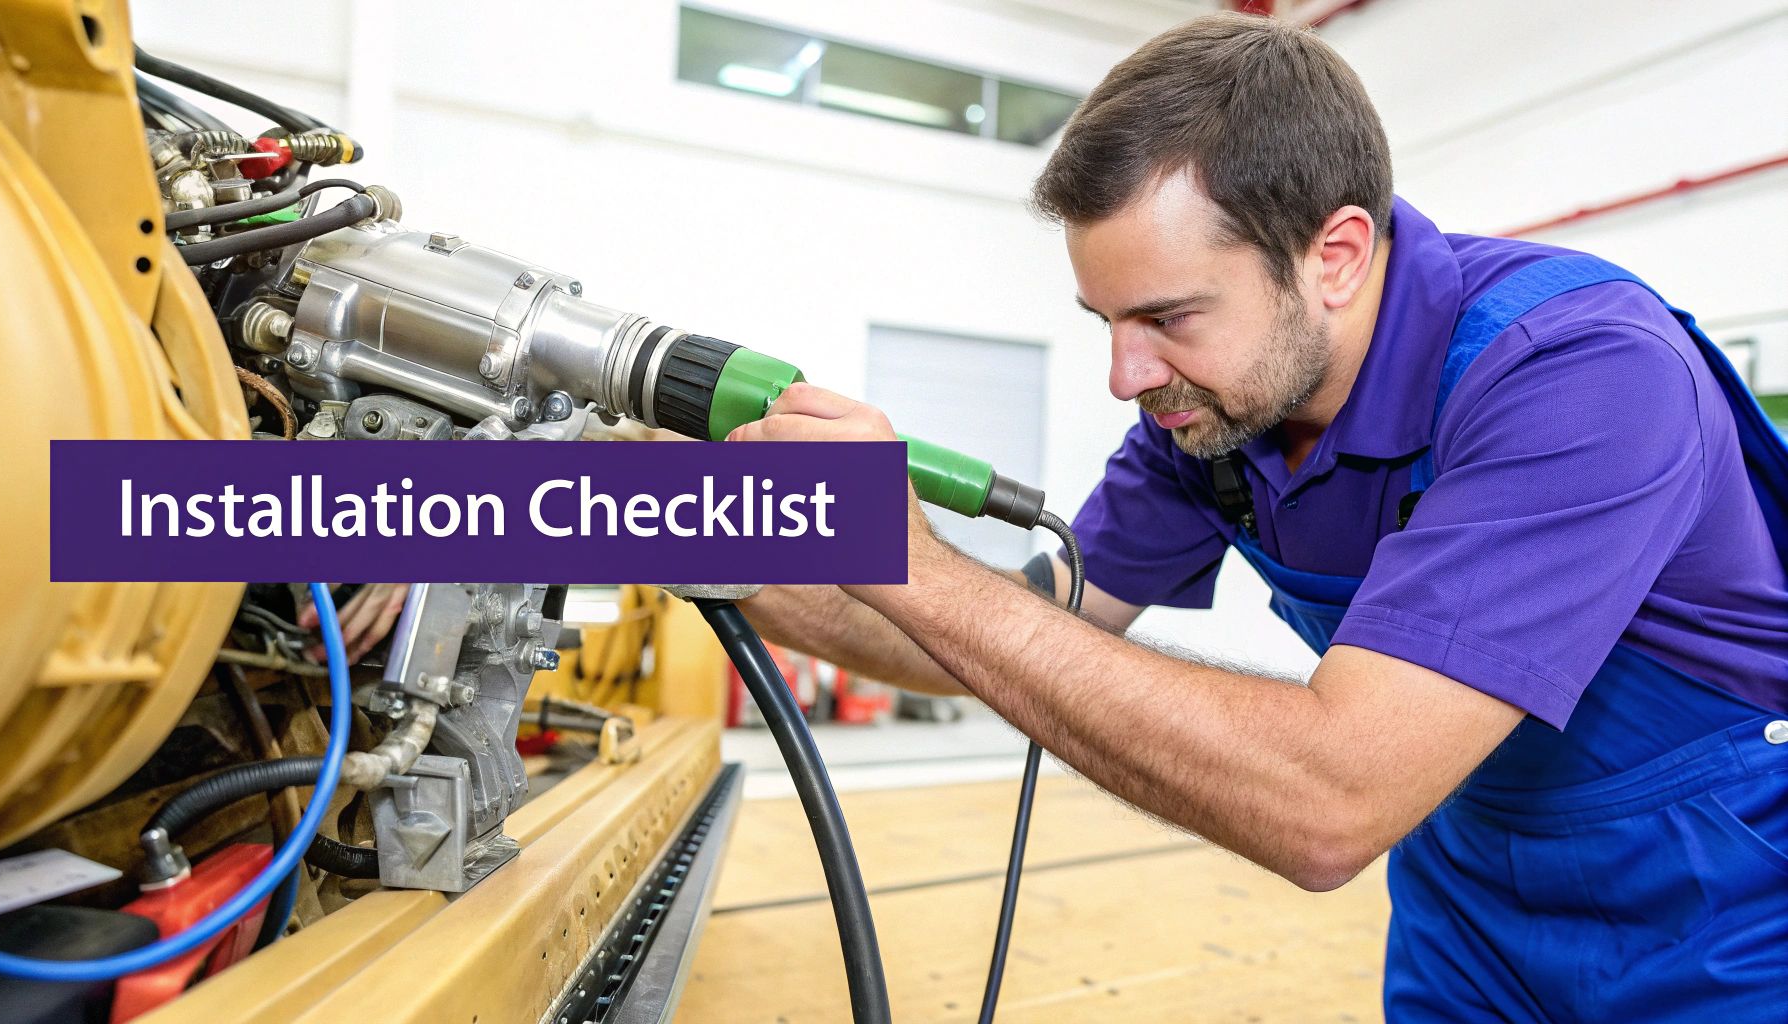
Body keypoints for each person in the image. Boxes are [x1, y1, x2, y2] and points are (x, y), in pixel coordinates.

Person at [730, 13, 1788, 1020]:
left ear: (1333, 255)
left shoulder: (1576, 373)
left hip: (1719, 908)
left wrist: (911, 560)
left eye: (1166, 317)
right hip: (1468, 899)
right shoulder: (1214, 417)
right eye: (1104, 321)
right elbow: (1017, 624)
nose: (1122, 374)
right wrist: (677, 523)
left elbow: (1331, 799)